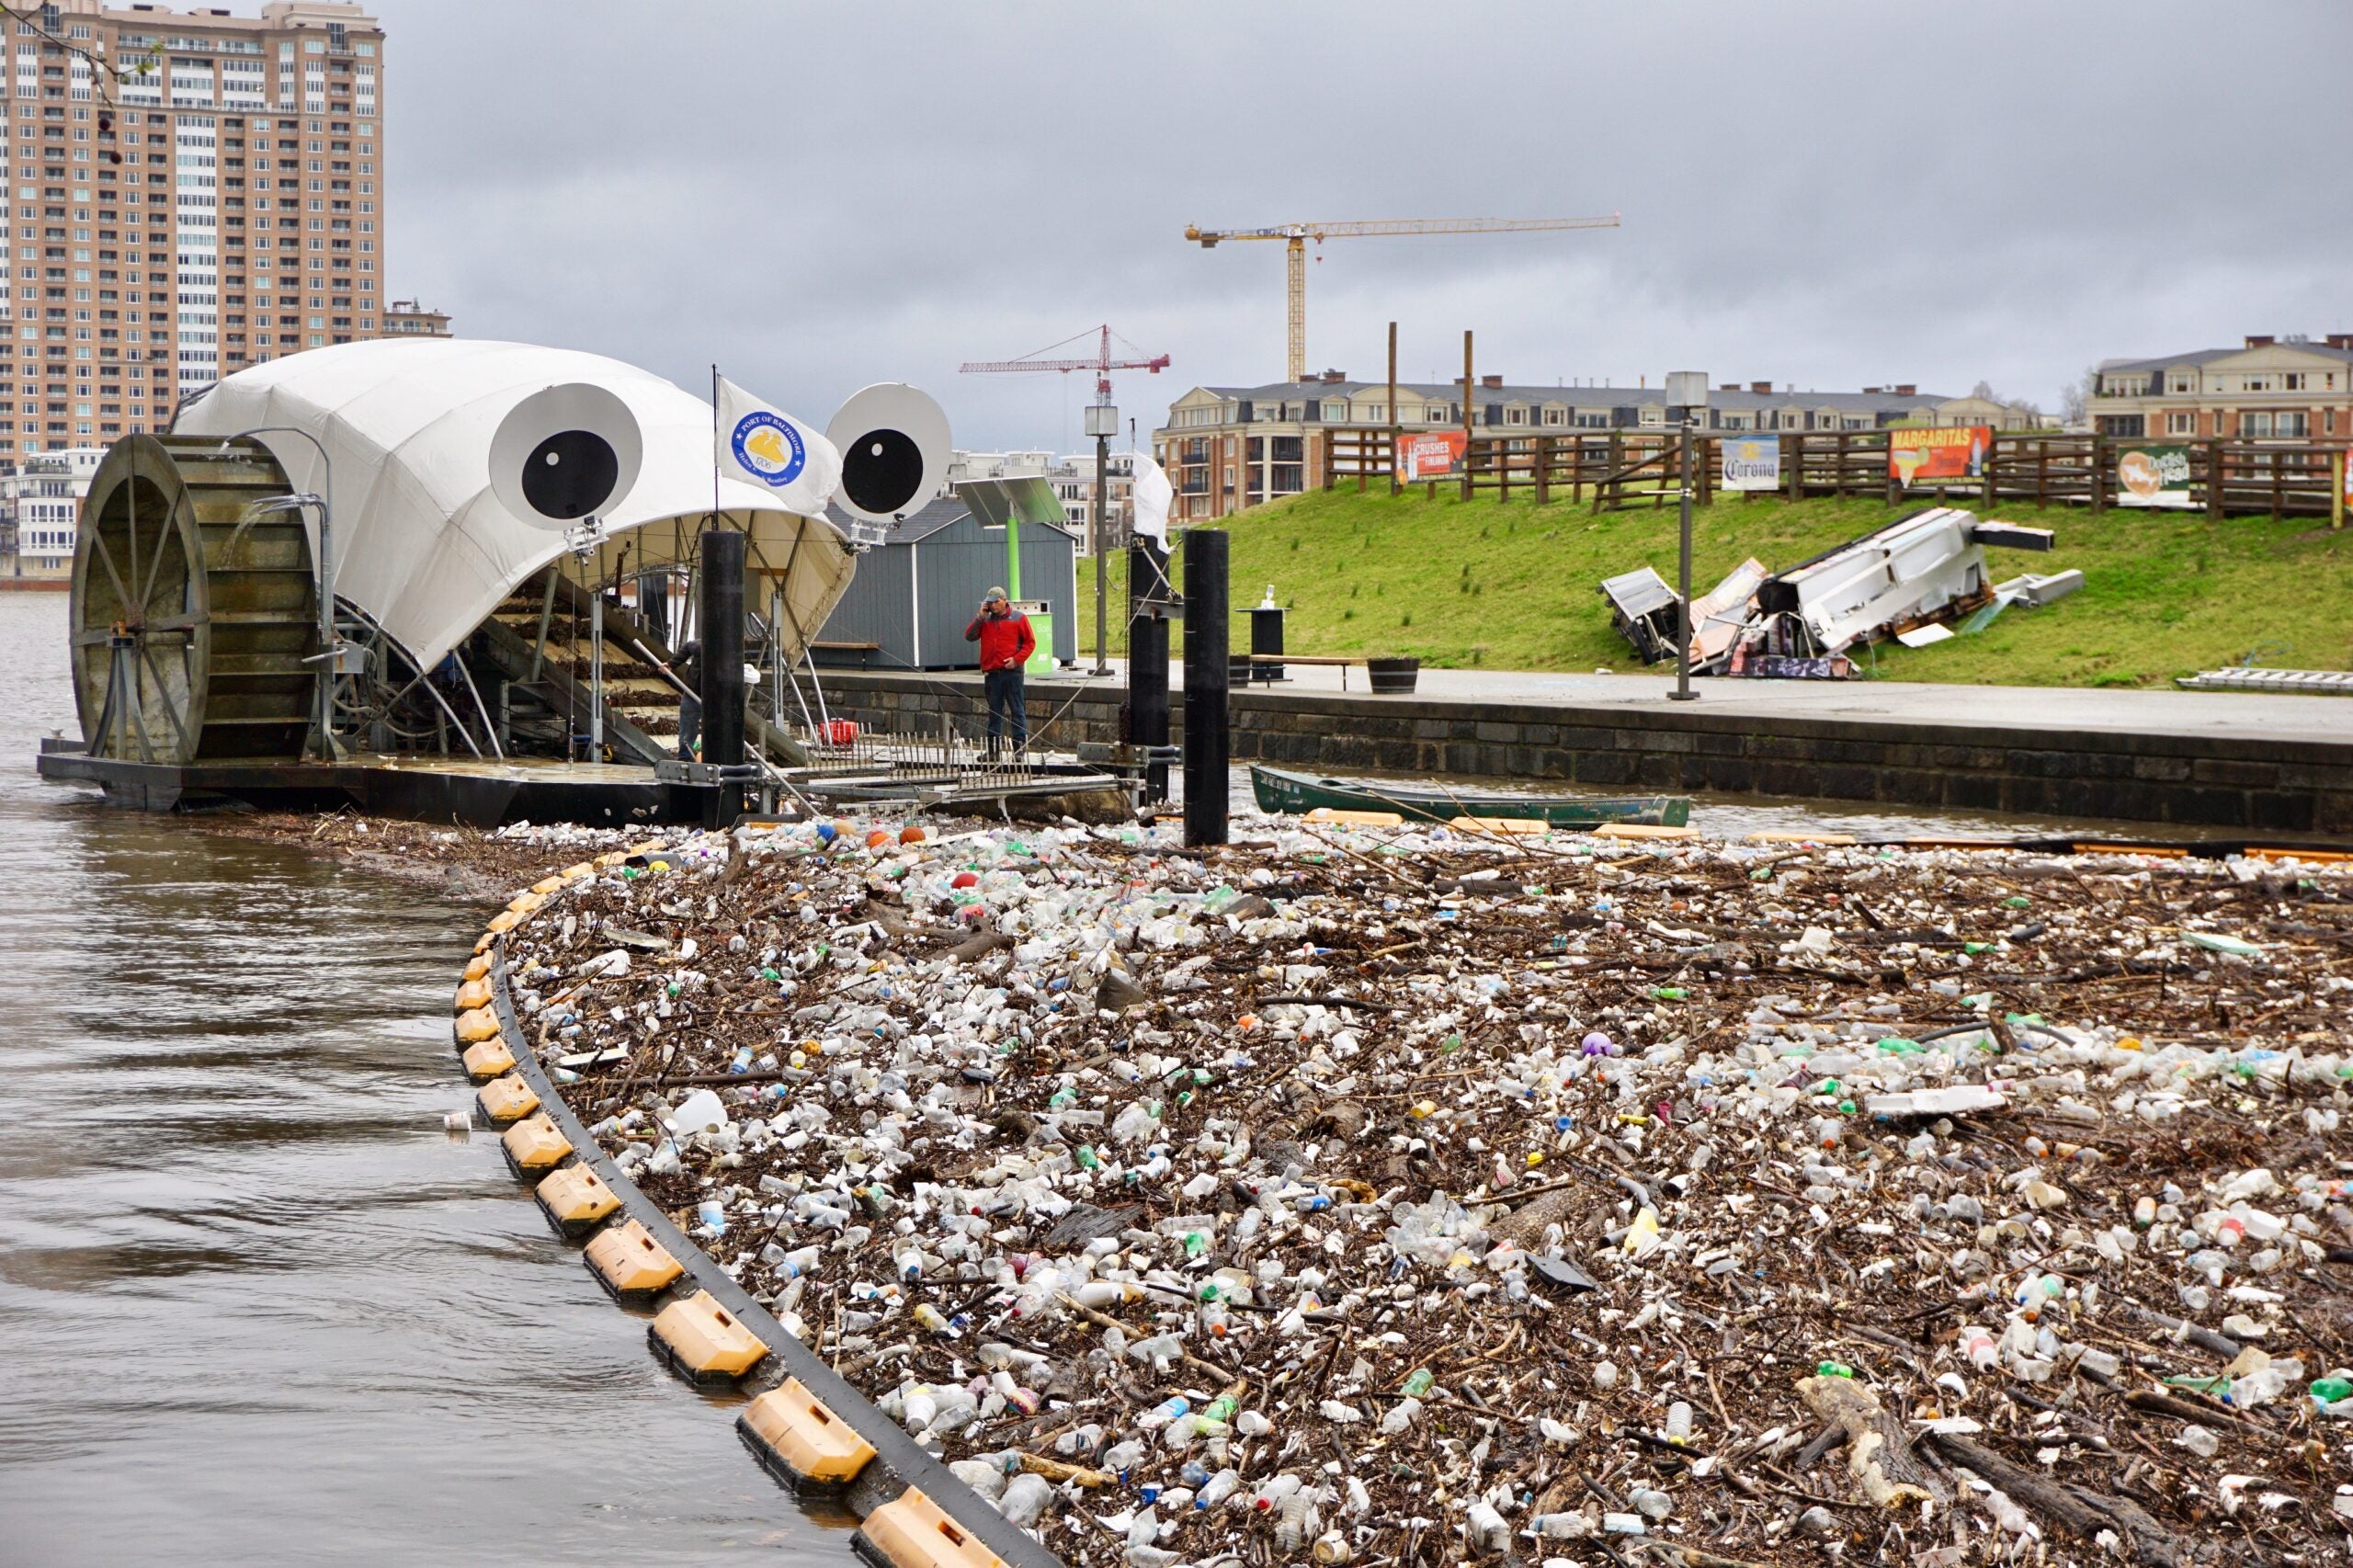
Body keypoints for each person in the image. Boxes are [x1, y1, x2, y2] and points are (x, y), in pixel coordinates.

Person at [964, 587, 1035, 756]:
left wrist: (1017, 660)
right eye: (990, 602)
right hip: (992, 674)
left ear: (1004, 600)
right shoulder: (985, 620)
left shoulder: (1019, 618)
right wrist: (979, 617)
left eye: (996, 601)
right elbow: (969, 636)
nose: (993, 605)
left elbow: (1030, 643)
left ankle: (1019, 750)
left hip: (1013, 673)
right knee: (994, 713)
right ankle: (993, 751)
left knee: (1017, 711)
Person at [667, 639, 702, 759]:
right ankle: (685, 757)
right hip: (692, 693)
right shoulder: (700, 646)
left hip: (717, 697)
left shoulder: (728, 651)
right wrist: (671, 664)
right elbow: (688, 647)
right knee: (687, 728)